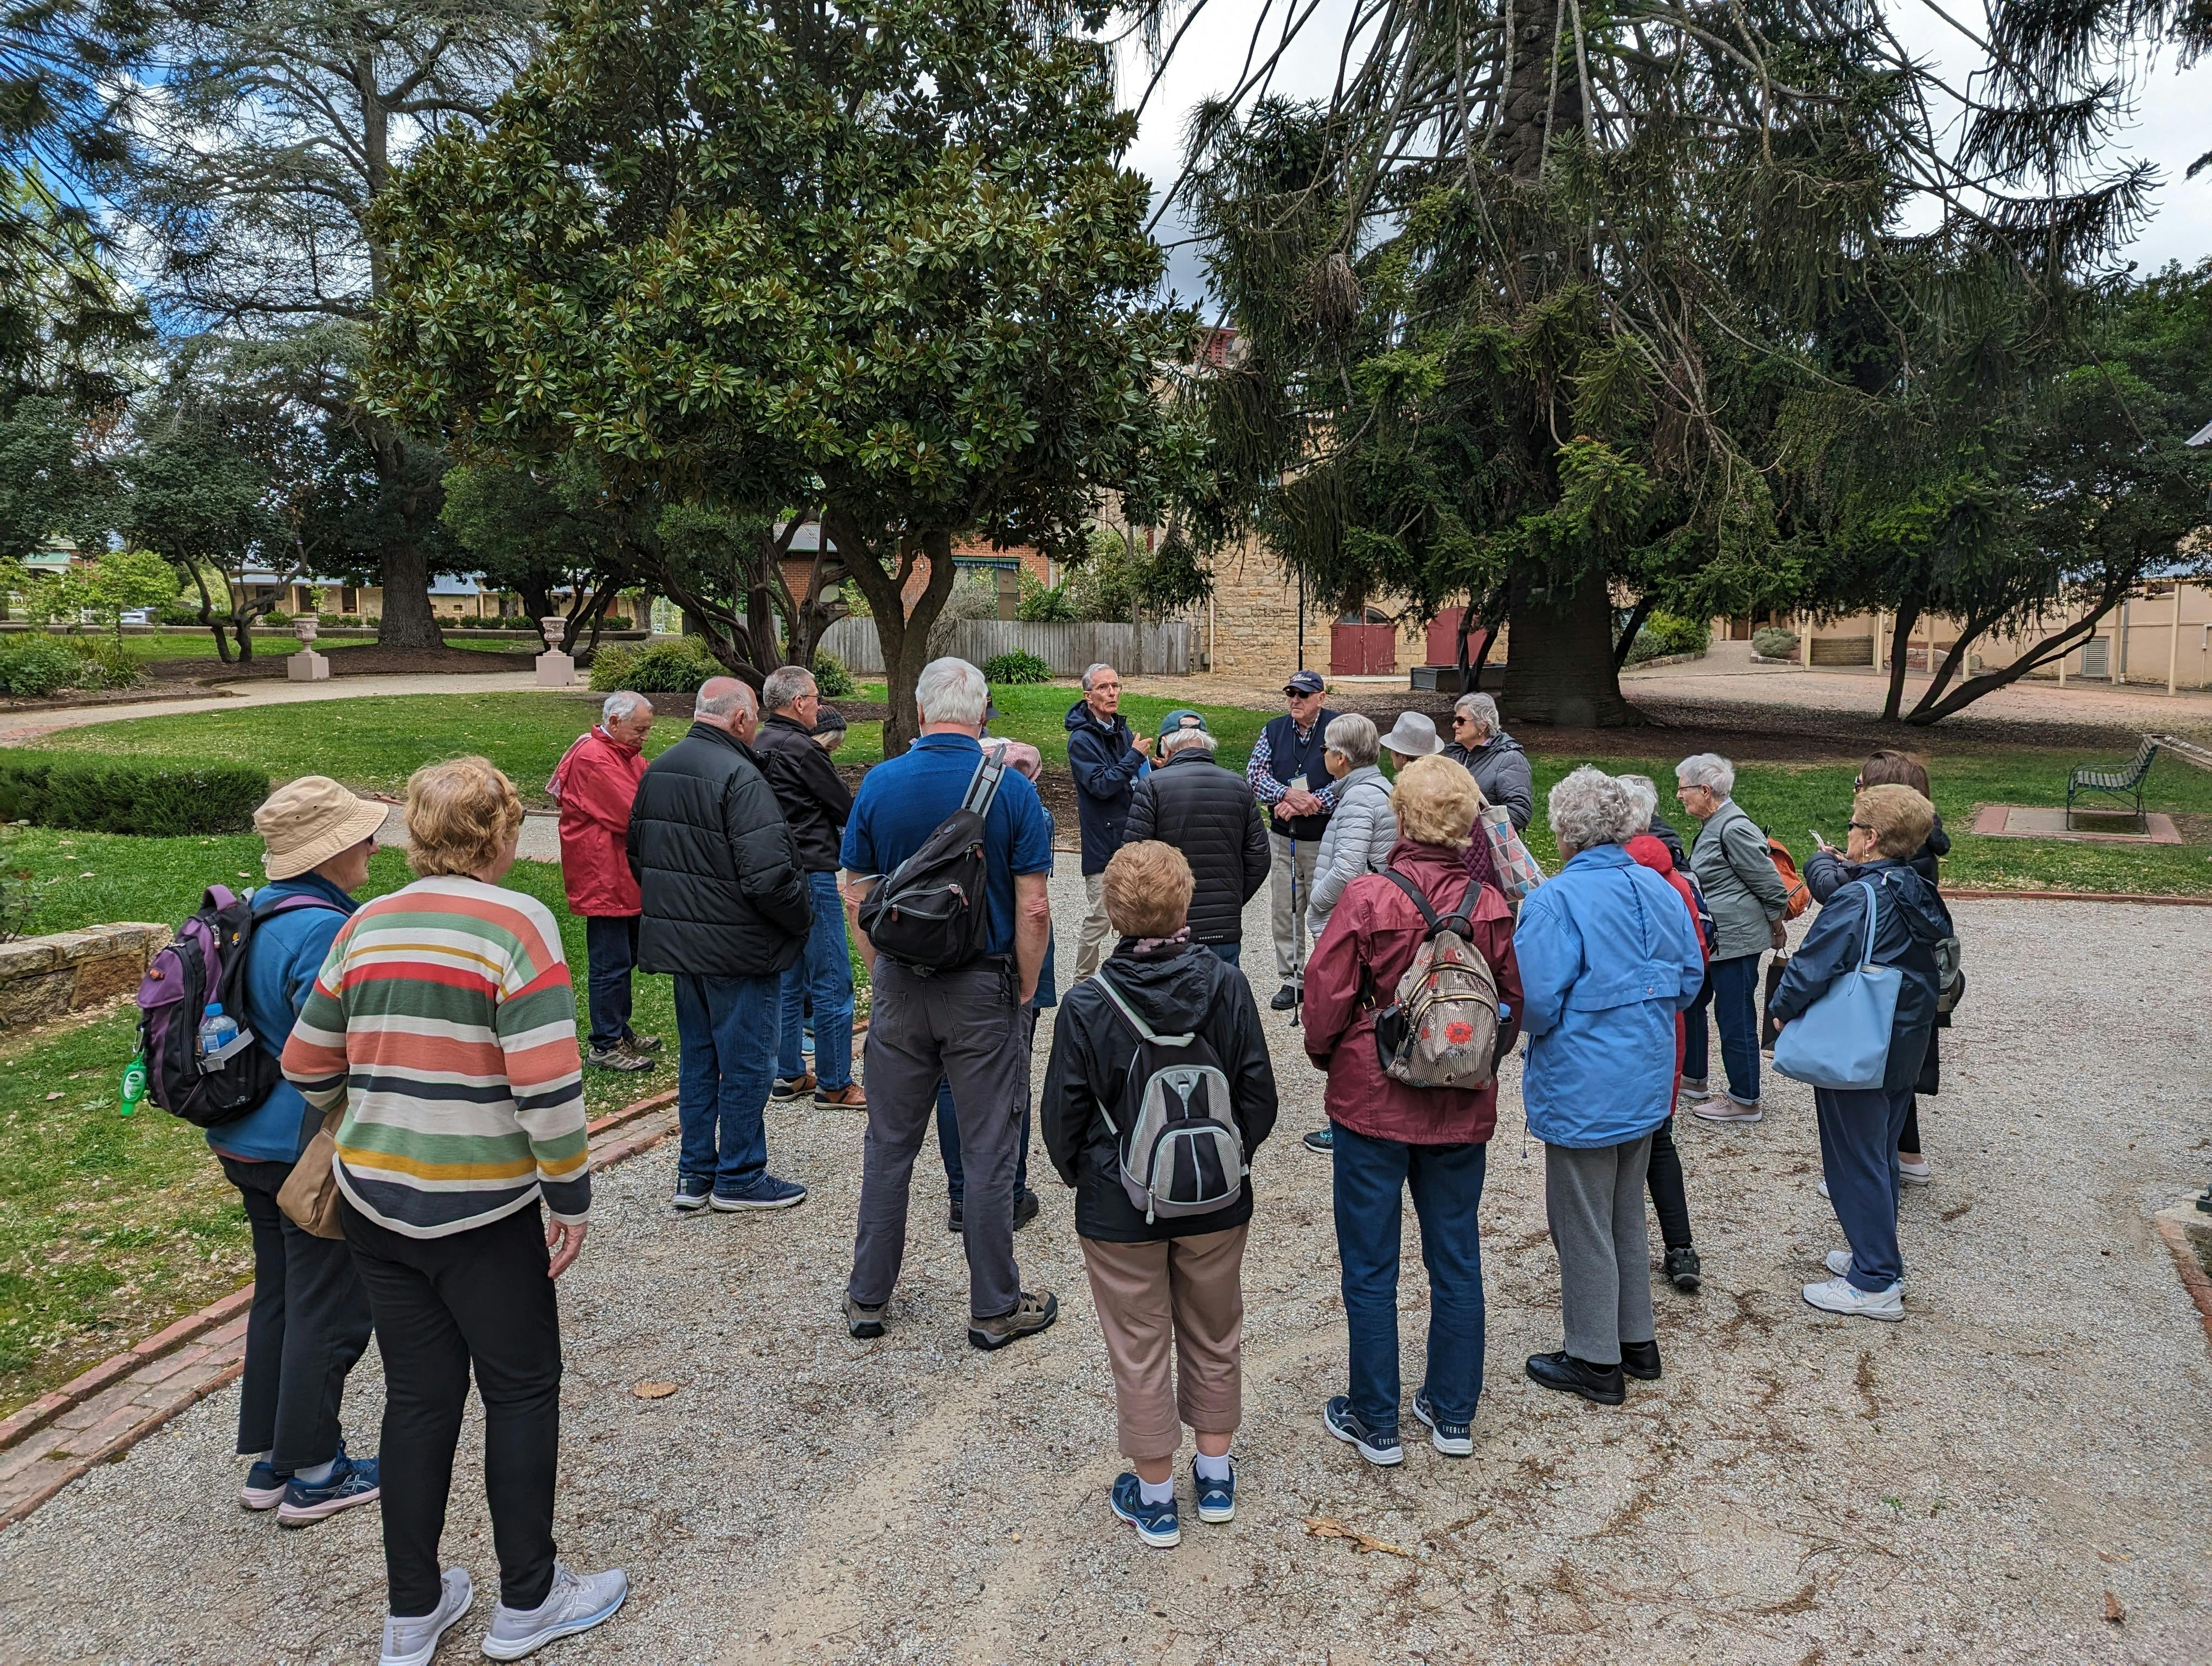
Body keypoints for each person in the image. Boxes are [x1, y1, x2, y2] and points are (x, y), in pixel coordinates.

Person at [282, 758, 625, 1666]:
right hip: (482, 1204)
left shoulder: (364, 923)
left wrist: (364, 1113)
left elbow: (305, 1062)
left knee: (418, 1397)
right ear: (503, 835)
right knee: (521, 1388)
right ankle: (529, 1597)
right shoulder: (516, 924)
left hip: (376, 1198)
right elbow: (547, 1087)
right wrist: (570, 1194)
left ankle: (413, 1609)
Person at [1040, 841, 1277, 1547]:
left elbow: (1061, 1121)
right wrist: (1226, 1158)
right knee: (1215, 1330)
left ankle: (1155, 1498)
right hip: (1216, 1197)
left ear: (1113, 914)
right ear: (1186, 902)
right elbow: (1259, 1096)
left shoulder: (1087, 1004)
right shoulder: (1227, 986)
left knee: (1139, 1346)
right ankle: (1216, 1477)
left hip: (1120, 1204)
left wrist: (1093, 1179)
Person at [1300, 756, 1522, 1464]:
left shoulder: (1369, 897)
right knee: (1456, 1257)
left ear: (1400, 817)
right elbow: (1512, 1005)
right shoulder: (1490, 905)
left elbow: (1325, 1000)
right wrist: (1474, 1060)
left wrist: (1334, 1056)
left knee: (1371, 1266)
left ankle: (1375, 1419)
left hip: (1374, 1097)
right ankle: (1452, 1412)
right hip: (1460, 1096)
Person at [840, 657, 1059, 1351]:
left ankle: (867, 1297)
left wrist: (882, 969)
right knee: (989, 1149)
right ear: (984, 712)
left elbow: (855, 893)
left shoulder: (880, 783)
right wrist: (1026, 988)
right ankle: (994, 1307)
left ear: (920, 710)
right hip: (982, 986)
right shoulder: (1012, 792)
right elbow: (1034, 907)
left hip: (901, 987)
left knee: (888, 1145)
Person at [216, 776, 384, 1526]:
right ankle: (318, 1472)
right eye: (360, 836)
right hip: (303, 1146)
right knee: (331, 1304)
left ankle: (275, 1460)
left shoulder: (256, 910)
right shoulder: (322, 929)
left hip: (245, 1136)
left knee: (281, 1296)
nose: (372, 845)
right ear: (329, 851)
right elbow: (338, 1045)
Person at [1513, 767, 1705, 1407]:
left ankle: (1595, 1358)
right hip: (1644, 1072)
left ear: (1564, 831)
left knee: (1582, 1221)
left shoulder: (1555, 900)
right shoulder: (1660, 886)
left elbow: (1536, 1004)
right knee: (1624, 1211)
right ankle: (1635, 1340)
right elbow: (1689, 980)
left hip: (1585, 1080)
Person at [628, 677, 814, 1212]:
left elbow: (639, 855)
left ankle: (694, 1173)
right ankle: (739, 1173)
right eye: (753, 718)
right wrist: (801, 918)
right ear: (739, 719)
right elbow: (769, 877)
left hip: (684, 945)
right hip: (739, 947)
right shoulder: (740, 775)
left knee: (699, 1059)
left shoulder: (658, 769)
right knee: (748, 1061)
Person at [1770, 785, 1952, 1322]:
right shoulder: (1917, 886)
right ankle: (1875, 1256)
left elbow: (1814, 963)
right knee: (1878, 1154)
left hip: (1859, 1043)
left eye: (1853, 825)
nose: (1848, 833)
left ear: (1870, 838)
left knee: (1854, 1161)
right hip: (1903, 1038)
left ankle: (1875, 1279)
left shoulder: (1859, 897)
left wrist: (1781, 1009)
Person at [1808, 749, 1948, 1185]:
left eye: (1860, 784)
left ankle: (1869, 1175)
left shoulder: (1905, 857)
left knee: (1875, 1076)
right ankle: (1902, 1158)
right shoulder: (1915, 846)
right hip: (1908, 981)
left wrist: (1822, 863)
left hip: (1887, 982)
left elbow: (1839, 893)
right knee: (1895, 1073)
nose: (1855, 791)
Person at [934, 737, 1054, 1236]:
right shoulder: (1031, 812)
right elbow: (1035, 904)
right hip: (1006, 962)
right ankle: (1008, 1192)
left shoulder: (945, 811)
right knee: (1010, 1080)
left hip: (941, 957)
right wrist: (1031, 981)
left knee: (950, 1081)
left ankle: (962, 1195)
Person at [755, 664, 864, 1110]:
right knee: (831, 978)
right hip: (812, 872)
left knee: (788, 976)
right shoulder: (802, 749)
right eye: (816, 698)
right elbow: (845, 808)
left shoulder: (758, 743)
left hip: (774, 874)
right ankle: (835, 1082)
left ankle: (789, 1073)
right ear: (799, 702)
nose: (820, 707)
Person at [1618, 773, 1709, 1293]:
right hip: (1663, 1028)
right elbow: (1696, 964)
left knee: (1614, 1148)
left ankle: (1618, 1250)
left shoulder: (1610, 882)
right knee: (1659, 1140)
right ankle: (1680, 1247)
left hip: (1615, 1029)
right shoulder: (1675, 880)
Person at [1675, 752, 1789, 1123]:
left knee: (1734, 1016)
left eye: (1684, 788)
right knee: (1692, 1003)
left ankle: (1745, 1098)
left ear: (1706, 791)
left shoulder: (1733, 827)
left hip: (1736, 943)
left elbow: (1771, 886)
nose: (1679, 795)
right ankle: (1694, 1079)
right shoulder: (1716, 823)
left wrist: (1776, 926)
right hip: (1716, 940)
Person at [551, 691, 659, 1073]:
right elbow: (634, 812)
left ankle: (618, 1029)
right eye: (639, 729)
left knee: (624, 957)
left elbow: (650, 790)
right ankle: (605, 1042)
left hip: (619, 872)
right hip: (603, 875)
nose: (644, 737)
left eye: (647, 729)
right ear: (614, 722)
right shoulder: (595, 758)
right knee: (610, 962)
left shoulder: (622, 753)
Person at [1123, 708, 1268, 966]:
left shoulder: (1153, 785)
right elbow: (1259, 857)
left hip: (1168, 928)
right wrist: (1231, 899)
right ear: (1206, 743)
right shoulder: (1239, 785)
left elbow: (1133, 858)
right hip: (1223, 926)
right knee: (1223, 989)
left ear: (1166, 746)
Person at [1246, 670, 1341, 1010]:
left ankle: (1329, 977)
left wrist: (1310, 803)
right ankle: (1293, 979)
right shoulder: (1273, 730)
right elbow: (1255, 775)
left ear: (1321, 698)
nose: (1295, 700)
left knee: (1325, 908)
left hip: (1323, 838)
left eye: (1303, 694)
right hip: (1283, 836)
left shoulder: (1338, 728)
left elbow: (1349, 777)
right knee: (1285, 910)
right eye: (1291, 694)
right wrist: (1287, 795)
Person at [1065, 663, 1152, 980]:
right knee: (1101, 917)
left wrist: (1151, 766)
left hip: (1131, 839)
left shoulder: (1120, 730)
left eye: (1115, 686)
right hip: (1102, 845)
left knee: (1137, 914)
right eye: (1104, 687)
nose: (1112, 693)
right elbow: (1101, 785)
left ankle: (1129, 979)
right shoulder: (1081, 740)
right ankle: (1082, 982)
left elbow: (1129, 777)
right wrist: (1134, 757)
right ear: (1088, 696)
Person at [1306, 713, 1397, 944]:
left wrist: (1316, 901)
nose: (1323, 754)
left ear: (1341, 758)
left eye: (1325, 749)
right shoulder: (1381, 786)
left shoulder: (1359, 797)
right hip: (1369, 913)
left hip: (1347, 923)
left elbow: (1347, 870)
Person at [1443, 691, 1533, 832]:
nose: (1455, 725)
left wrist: (1470, 825)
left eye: (1461, 721)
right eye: (1455, 719)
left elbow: (1519, 813)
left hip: (1485, 843)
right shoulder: (1455, 754)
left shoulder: (1510, 759)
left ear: (1483, 725)